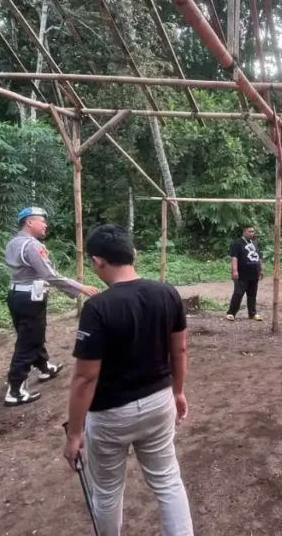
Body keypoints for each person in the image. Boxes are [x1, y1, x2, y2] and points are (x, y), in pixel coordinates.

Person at [64, 224, 193, 536]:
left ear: (99, 262)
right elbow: (181, 348)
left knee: (107, 491)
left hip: (110, 414)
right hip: (159, 401)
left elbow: (85, 378)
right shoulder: (167, 293)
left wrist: (75, 433)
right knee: (167, 480)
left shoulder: (97, 307)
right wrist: (178, 392)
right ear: (132, 254)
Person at [3, 206, 99, 407]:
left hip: (16, 294)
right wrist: (81, 287)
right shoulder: (31, 245)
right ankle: (15, 389)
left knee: (31, 333)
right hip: (31, 298)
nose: (45, 224)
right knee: (28, 340)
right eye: (42, 220)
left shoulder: (14, 242)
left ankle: (44, 366)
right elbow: (50, 275)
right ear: (29, 222)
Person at [226, 224, 263, 321]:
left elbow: (259, 256)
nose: (252, 233)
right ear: (244, 232)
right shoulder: (237, 243)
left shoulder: (255, 243)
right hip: (242, 273)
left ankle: (252, 314)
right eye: (249, 231)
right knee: (238, 293)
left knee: (252, 295)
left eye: (253, 231)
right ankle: (231, 313)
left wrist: (261, 269)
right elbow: (234, 257)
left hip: (254, 273)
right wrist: (235, 270)